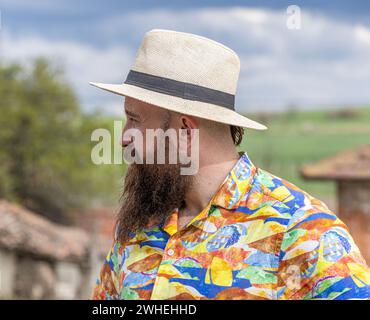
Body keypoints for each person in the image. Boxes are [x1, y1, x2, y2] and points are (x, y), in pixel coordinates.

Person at [89, 29, 370, 300]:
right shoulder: (138, 227)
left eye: (134, 120)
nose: (123, 139)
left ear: (185, 132)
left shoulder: (301, 229)